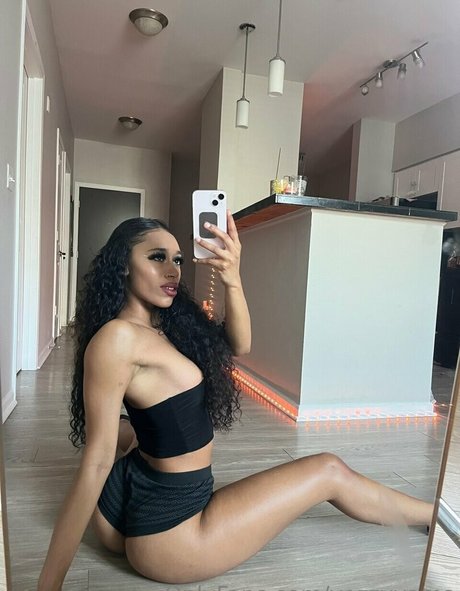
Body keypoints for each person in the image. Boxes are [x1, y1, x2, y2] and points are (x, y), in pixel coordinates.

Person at [38, 211, 433, 589]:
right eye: (157, 257)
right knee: (328, 470)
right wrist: (48, 585)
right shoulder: (117, 339)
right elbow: (96, 463)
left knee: (128, 428)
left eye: (177, 259)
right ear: (123, 265)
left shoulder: (164, 324)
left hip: (132, 496)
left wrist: (232, 276)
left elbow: (240, 345)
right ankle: (438, 518)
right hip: (171, 534)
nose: (172, 270)